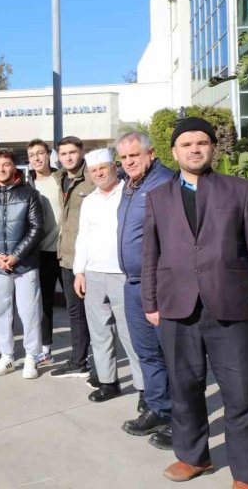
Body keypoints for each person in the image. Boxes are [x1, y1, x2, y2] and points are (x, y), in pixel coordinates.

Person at [142, 118, 248, 488]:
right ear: (174, 152)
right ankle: (194, 456)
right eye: (186, 144)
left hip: (231, 307)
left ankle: (245, 476)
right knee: (184, 389)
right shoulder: (157, 197)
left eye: (202, 142)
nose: (195, 149)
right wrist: (150, 301)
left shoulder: (239, 190)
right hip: (176, 307)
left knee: (243, 393)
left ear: (213, 148)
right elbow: (151, 253)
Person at [115, 131, 176, 449]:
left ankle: (183, 419)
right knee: (147, 352)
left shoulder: (165, 182)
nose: (128, 162)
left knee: (173, 354)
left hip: (160, 284)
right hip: (133, 283)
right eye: (123, 158)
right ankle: (159, 408)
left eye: (134, 156)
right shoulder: (129, 184)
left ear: (151, 153)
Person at [71, 149, 144, 407]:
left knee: (131, 334)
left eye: (103, 167)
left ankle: (145, 389)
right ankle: (108, 382)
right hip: (93, 274)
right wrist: (79, 271)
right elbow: (83, 237)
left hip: (123, 274)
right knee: (100, 332)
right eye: (94, 170)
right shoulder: (89, 200)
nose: (99, 173)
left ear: (114, 166)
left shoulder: (130, 194)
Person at [0, 149, 44, 379]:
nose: (2, 169)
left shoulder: (30, 194)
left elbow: (36, 229)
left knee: (29, 312)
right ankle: (6, 356)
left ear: (14, 167)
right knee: (1, 312)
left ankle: (33, 357)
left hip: (24, 266)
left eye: (6, 165)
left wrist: (16, 256)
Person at [49, 136, 97, 381]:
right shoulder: (60, 179)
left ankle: (95, 363)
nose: (68, 157)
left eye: (72, 152)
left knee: (95, 313)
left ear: (81, 153)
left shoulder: (92, 179)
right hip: (67, 256)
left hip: (88, 259)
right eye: (63, 153)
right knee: (75, 312)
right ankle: (79, 361)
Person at [25, 139, 62, 367]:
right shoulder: (27, 186)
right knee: (43, 303)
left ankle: (82, 352)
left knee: (77, 306)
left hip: (66, 251)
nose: (37, 158)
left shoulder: (62, 180)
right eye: (32, 155)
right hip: (42, 253)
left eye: (41, 153)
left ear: (49, 155)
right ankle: (46, 348)